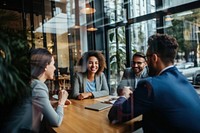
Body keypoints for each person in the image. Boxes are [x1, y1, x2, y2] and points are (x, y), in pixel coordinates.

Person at [108, 33, 200, 132]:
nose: (146, 62)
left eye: (147, 58)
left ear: (154, 58)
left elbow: (115, 115)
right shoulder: (182, 79)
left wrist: (124, 96)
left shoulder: (150, 85)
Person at [2, 48, 71, 133]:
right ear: (46, 66)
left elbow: (32, 102)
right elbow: (56, 121)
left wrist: (54, 103)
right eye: (53, 64)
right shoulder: (38, 86)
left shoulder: (30, 82)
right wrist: (61, 102)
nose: (55, 68)